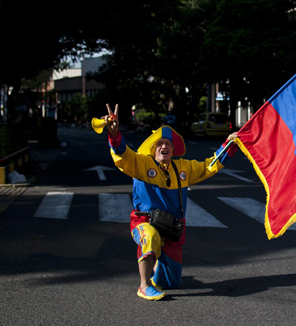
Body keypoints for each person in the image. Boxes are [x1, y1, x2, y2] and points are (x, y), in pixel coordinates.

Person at [101, 103, 238, 301]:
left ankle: (157, 266)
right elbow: (123, 155)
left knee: (172, 282)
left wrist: (229, 146)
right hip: (145, 223)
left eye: (168, 144)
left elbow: (209, 166)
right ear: (153, 148)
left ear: (173, 150)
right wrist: (114, 135)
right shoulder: (141, 163)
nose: (164, 146)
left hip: (172, 228)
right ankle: (144, 285)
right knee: (150, 237)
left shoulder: (183, 168)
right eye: (160, 143)